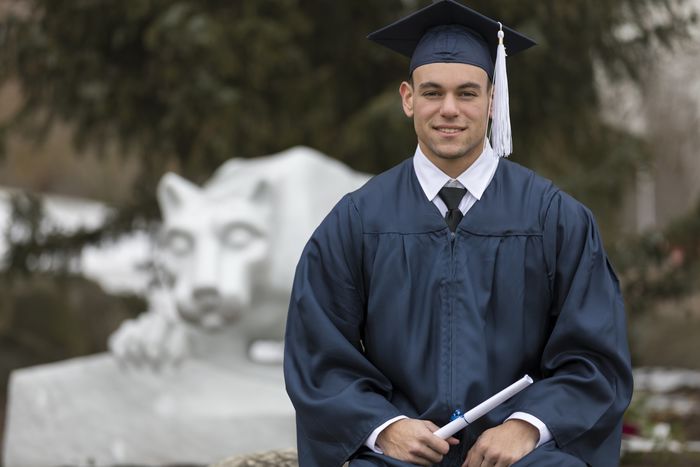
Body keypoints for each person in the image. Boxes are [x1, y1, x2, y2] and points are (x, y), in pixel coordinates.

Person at [283, 1, 633, 466]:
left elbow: (595, 361)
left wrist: (527, 426)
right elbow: (318, 356)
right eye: (433, 92)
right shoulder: (357, 221)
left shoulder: (555, 219)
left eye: (467, 93)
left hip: (523, 457)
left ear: (493, 99)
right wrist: (383, 428)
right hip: (398, 457)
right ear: (408, 98)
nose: (449, 110)